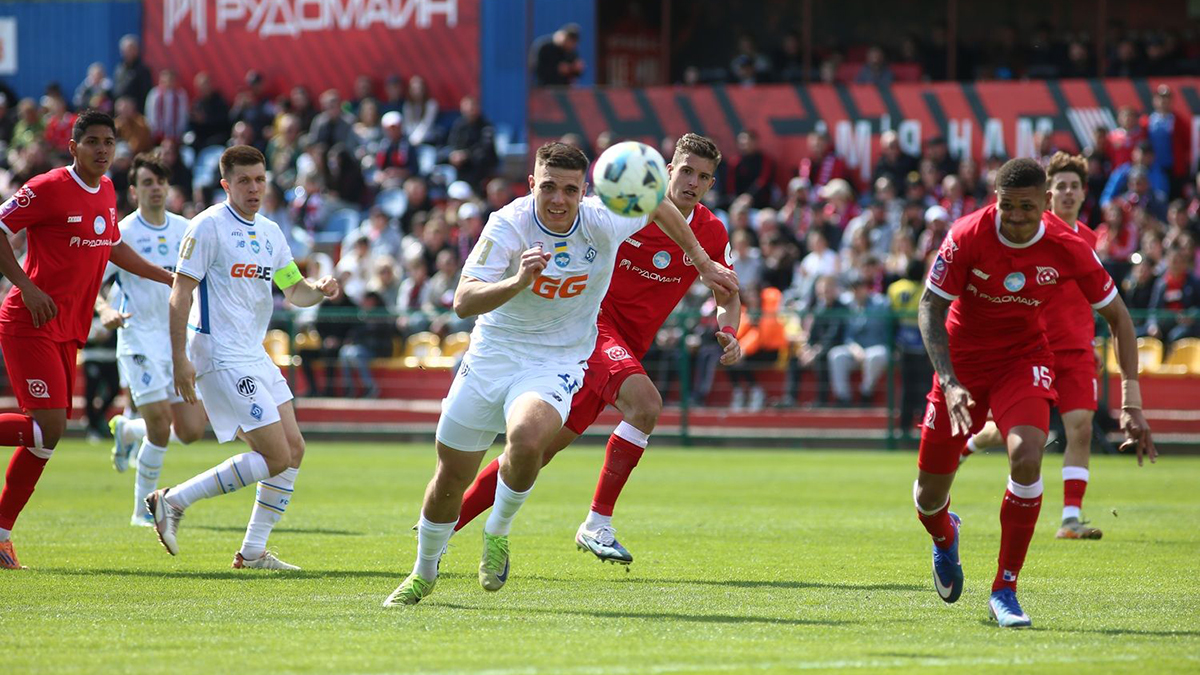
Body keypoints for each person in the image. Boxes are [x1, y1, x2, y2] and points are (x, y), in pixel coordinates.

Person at [382, 141, 738, 606]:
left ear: (584, 191)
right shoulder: (512, 222)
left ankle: (511, 530)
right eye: (548, 187)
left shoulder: (623, 220)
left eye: (569, 190)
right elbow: (463, 301)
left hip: (563, 354)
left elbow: (670, 223)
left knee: (532, 443)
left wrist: (710, 281)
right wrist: (517, 281)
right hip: (520, 349)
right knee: (455, 473)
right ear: (532, 184)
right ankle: (429, 563)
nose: (558, 199)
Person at [914, 157, 1154, 628]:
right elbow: (929, 309)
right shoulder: (966, 234)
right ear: (995, 201)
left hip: (1022, 359)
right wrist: (948, 381)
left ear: (1045, 203)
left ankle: (1005, 589)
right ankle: (946, 536)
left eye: (1027, 207)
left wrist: (1132, 401)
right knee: (926, 498)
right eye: (1008, 207)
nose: (1017, 217)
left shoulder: (1067, 244)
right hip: (960, 364)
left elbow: (1121, 318)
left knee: (1027, 455)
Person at [146, 146, 340, 570]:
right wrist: (179, 358)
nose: (254, 188)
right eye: (244, 181)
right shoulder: (207, 227)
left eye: (259, 179)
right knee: (274, 456)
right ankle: (172, 500)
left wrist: (318, 288)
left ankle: (253, 552)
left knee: (294, 449)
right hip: (219, 353)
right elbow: (180, 295)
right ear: (226, 185)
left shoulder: (270, 231)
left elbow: (294, 290)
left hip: (253, 353)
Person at [0, 110, 174, 569]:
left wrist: (163, 276)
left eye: (109, 141)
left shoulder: (110, 190)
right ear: (73, 146)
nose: (102, 149)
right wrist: (28, 287)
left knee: (43, 440)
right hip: (29, 320)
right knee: (47, 428)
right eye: (92, 141)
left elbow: (111, 244)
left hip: (68, 327)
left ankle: (0, 534)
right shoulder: (47, 187)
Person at [963, 152, 1111, 538]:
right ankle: (973, 441)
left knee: (1080, 427)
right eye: (1060, 185)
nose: (1066, 192)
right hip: (1035, 348)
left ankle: (1070, 519)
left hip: (1077, 347)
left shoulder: (1088, 239)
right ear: (1049, 194)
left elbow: (1097, 299)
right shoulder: (1026, 231)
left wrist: (1093, 339)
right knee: (1034, 434)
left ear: (1082, 194)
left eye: (1073, 186)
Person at [98, 152, 208, 526]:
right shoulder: (123, 232)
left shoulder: (186, 229)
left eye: (161, 181)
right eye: (148, 182)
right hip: (138, 336)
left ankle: (129, 429)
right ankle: (142, 511)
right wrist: (104, 311)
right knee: (160, 425)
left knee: (192, 430)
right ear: (134, 190)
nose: (156, 188)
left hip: (177, 338)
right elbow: (93, 281)